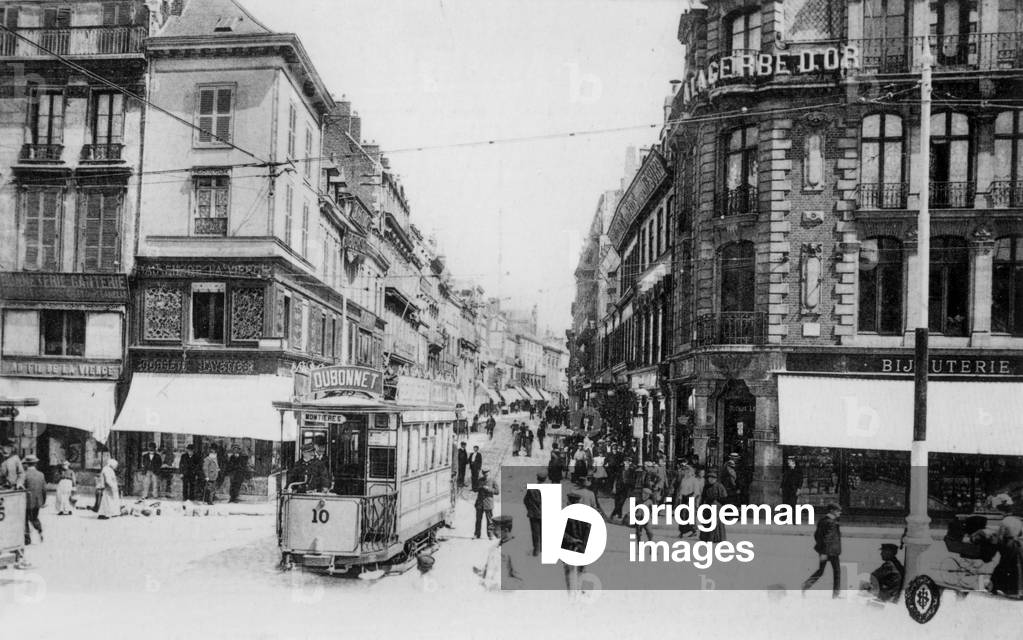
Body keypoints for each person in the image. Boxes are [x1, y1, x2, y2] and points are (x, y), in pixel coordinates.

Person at [802, 503, 843, 598]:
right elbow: (828, 538)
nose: (840, 513)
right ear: (832, 511)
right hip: (831, 552)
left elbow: (817, 536)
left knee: (821, 571)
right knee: (837, 572)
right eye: (838, 511)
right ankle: (836, 595)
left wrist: (822, 551)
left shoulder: (823, 520)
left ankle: (805, 586)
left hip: (825, 551)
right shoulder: (831, 522)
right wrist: (825, 552)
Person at [476, 515, 521, 590]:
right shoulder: (494, 546)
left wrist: (498, 585)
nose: (493, 532)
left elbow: (520, 579)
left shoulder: (515, 549)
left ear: (506, 530)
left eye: (496, 530)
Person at [699, 470, 728, 543]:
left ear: (715, 479)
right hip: (707, 505)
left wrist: (717, 501)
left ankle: (716, 538)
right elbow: (703, 496)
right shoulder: (706, 486)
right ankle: (705, 537)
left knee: (715, 522)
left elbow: (724, 497)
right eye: (709, 478)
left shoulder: (719, 486)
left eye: (713, 478)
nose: (711, 479)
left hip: (716, 506)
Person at [23, 455, 45, 544]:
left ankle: (27, 539)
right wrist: (43, 501)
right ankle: (40, 530)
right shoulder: (41, 474)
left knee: (24, 519)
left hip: (27, 501)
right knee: (34, 518)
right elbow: (44, 489)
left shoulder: (24, 474)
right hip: (37, 501)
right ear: (35, 464)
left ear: (27, 464)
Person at [674, 464, 701, 537]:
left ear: (692, 472)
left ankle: (693, 530)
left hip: (691, 497)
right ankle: (682, 531)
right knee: (682, 515)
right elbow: (681, 489)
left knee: (690, 515)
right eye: (685, 471)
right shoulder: (684, 479)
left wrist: (691, 499)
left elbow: (696, 492)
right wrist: (680, 496)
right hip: (684, 498)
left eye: (688, 471)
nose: (687, 473)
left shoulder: (694, 480)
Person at [473, 468, 499, 539]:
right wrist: (479, 487)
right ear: (483, 474)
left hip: (488, 503)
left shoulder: (493, 480)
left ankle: (490, 534)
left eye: (487, 473)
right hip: (480, 503)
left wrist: (489, 489)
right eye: (484, 473)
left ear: (489, 473)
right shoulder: (480, 480)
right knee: (478, 520)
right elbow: (474, 489)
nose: (485, 475)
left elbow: (497, 491)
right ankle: (477, 534)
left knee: (489, 520)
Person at [524, 472, 545, 556]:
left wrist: (530, 509)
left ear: (537, 479)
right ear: (545, 479)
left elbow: (525, 500)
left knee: (535, 532)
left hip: (533, 514)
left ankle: (536, 550)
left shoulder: (531, 489)